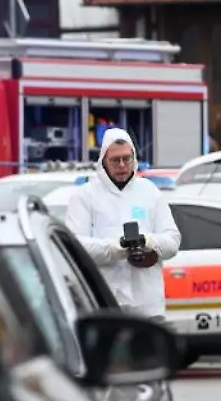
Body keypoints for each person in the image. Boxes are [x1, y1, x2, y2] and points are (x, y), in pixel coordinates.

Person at [66, 128, 182, 319]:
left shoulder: (149, 192)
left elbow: (173, 241)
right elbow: (75, 246)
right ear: (103, 160)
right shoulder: (85, 196)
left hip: (148, 308)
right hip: (104, 307)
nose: (122, 165)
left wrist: (147, 242)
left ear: (134, 158)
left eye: (127, 158)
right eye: (115, 160)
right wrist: (116, 249)